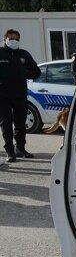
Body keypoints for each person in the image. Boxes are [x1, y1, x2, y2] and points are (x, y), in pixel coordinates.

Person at [0, 29, 41, 162]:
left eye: (17, 39)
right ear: (5, 39)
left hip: (20, 94)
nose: (14, 41)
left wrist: (23, 73)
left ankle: (21, 149)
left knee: (20, 123)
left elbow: (36, 72)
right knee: (6, 124)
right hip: (3, 95)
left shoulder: (24, 54)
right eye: (11, 38)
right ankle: (10, 151)